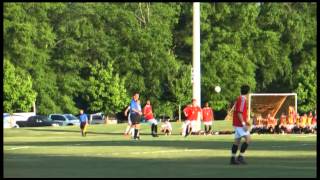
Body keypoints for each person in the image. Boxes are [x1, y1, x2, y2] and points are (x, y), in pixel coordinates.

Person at [230, 85, 251, 165]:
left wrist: (246, 121)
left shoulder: (240, 98)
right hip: (239, 124)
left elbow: (239, 112)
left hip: (237, 123)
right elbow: (239, 113)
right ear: (248, 92)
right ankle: (240, 157)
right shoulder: (242, 99)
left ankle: (233, 158)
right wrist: (243, 124)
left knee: (237, 141)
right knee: (248, 139)